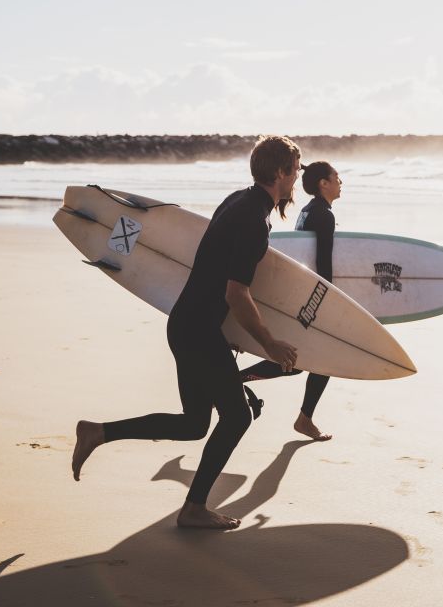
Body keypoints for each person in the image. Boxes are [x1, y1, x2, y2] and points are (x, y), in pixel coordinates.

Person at [70, 135, 302, 530]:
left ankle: (98, 432)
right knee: (237, 418)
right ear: (280, 173)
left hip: (189, 323)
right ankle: (194, 508)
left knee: (195, 424)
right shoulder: (255, 221)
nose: (297, 177)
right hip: (196, 329)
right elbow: (236, 291)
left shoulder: (238, 200)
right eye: (295, 170)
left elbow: (213, 273)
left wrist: (229, 334)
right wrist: (269, 343)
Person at [240, 161, 341, 442]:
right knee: (319, 361)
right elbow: (321, 262)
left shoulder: (309, 211)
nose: (340, 182)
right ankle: (303, 418)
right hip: (313, 298)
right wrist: (333, 301)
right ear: (323, 183)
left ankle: (302, 417)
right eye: (337, 177)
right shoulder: (325, 215)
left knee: (296, 362)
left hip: (301, 295)